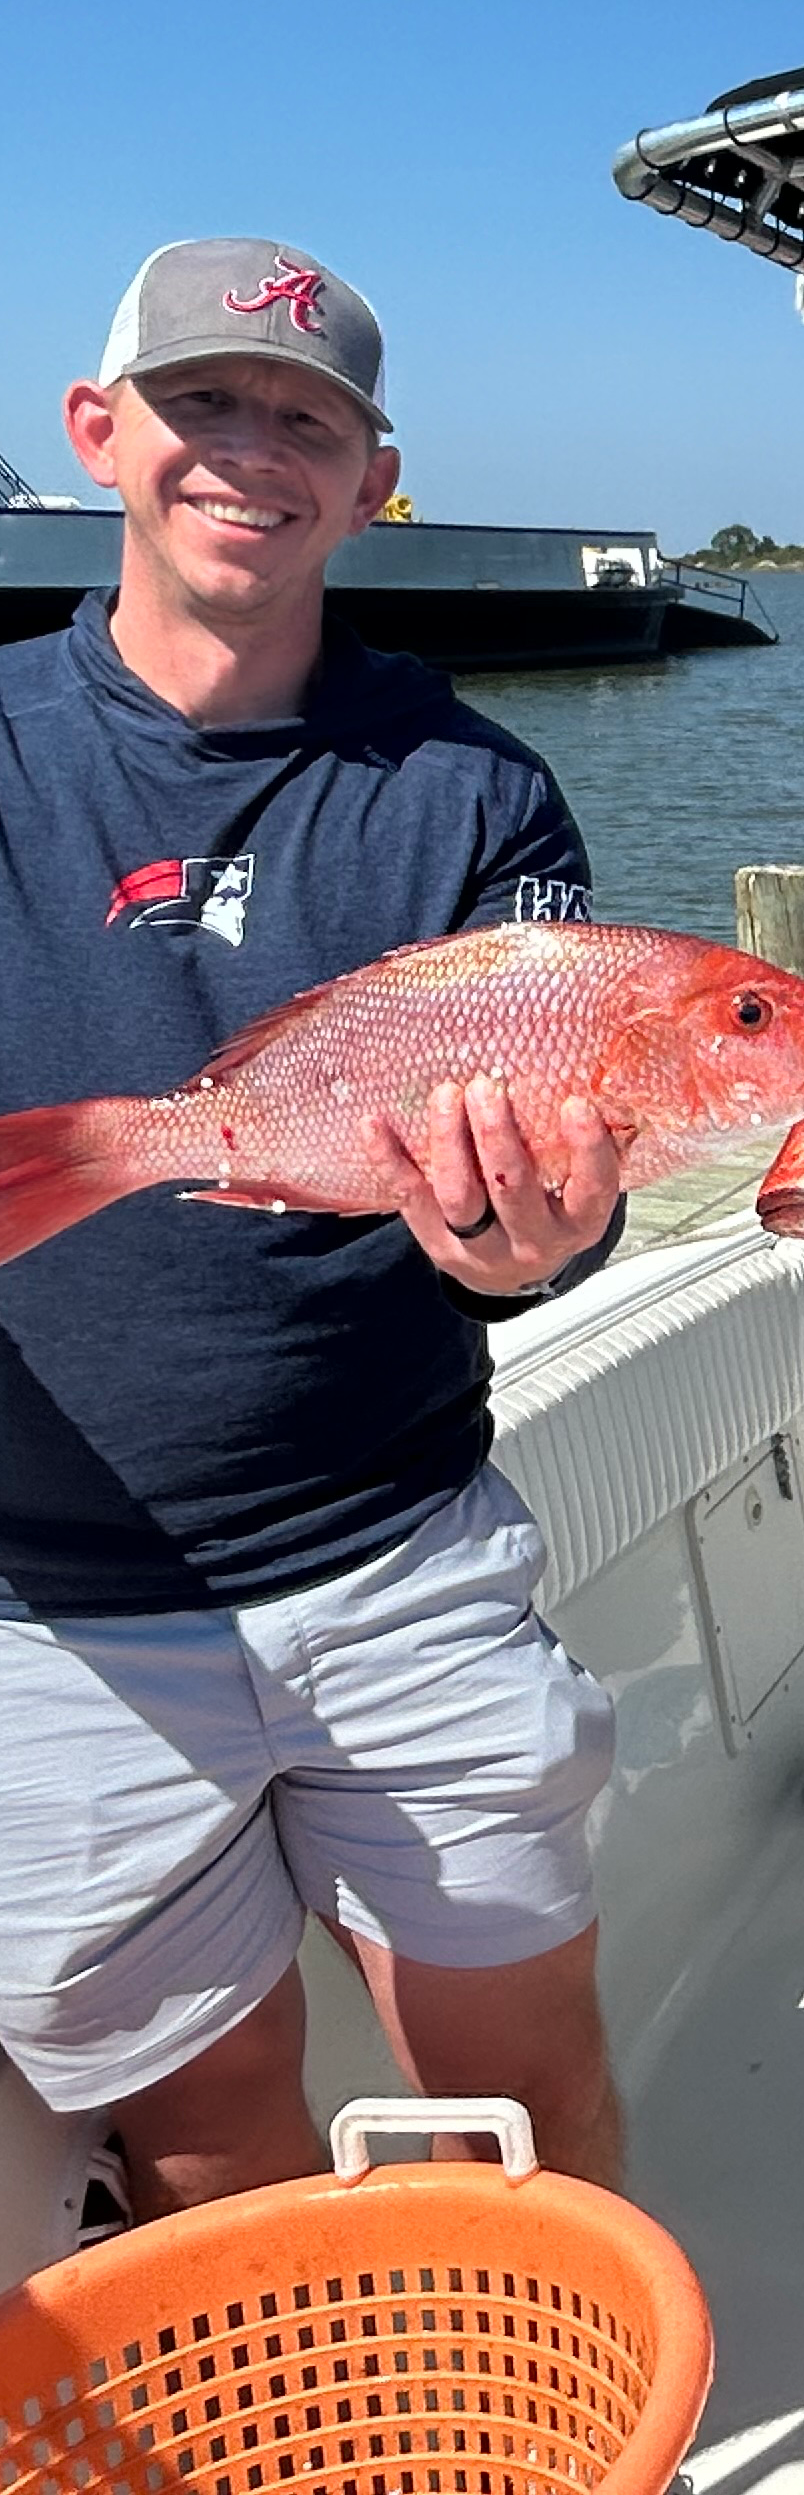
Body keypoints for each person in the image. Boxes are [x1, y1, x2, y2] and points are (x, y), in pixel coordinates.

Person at [0, 240, 633, 2213]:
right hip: (49, 1618)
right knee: (211, 2153)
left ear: (373, 483)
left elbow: (556, 1183)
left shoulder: (469, 793)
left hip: (401, 1562)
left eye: (307, 420)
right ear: (99, 435)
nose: (248, 453)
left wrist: (528, 1250)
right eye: (204, 405)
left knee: (521, 2102)